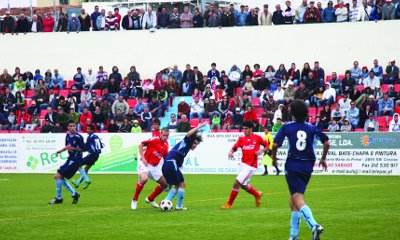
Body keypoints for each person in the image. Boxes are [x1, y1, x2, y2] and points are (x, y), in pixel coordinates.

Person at [272, 100, 329, 240]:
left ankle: (314, 226)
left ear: (291, 113)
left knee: (297, 198)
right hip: (308, 165)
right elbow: (326, 142)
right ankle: (293, 236)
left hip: (293, 165)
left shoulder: (287, 127)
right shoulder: (311, 127)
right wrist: (323, 158)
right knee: (293, 200)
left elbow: (274, 144)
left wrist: (274, 159)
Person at [220, 121, 268, 209]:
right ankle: (257, 195)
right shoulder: (241, 139)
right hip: (243, 164)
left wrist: (261, 151)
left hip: (251, 166)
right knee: (242, 185)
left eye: (246, 129)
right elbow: (234, 147)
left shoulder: (257, 138)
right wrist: (230, 152)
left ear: (251, 129)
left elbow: (267, 145)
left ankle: (229, 204)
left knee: (236, 183)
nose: (244, 131)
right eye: (243, 129)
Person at [162, 123, 206, 210]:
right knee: (182, 184)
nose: (195, 146)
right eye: (195, 143)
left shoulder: (185, 148)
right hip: (171, 163)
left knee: (178, 185)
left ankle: (166, 201)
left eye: (197, 144)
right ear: (192, 141)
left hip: (168, 164)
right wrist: (199, 127)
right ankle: (179, 206)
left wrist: (180, 164)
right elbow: (188, 134)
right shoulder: (187, 141)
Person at [131, 128, 170, 210]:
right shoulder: (154, 140)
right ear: (160, 134)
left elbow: (166, 158)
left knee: (165, 184)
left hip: (154, 168)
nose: (165, 137)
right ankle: (135, 199)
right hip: (144, 163)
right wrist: (143, 157)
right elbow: (141, 145)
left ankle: (150, 199)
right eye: (164, 135)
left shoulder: (166, 146)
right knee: (144, 179)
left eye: (167, 136)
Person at [49, 121, 84, 204]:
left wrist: (73, 148)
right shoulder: (67, 135)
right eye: (71, 126)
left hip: (75, 160)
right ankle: (73, 194)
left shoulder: (79, 137)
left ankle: (59, 198)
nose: (73, 127)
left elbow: (83, 149)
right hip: (70, 159)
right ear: (68, 128)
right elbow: (67, 146)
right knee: (58, 177)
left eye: (74, 126)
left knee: (58, 176)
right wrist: (60, 151)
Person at [71, 124, 103, 189]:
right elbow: (100, 146)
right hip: (96, 156)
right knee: (86, 169)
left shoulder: (90, 137)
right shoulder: (96, 136)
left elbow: (85, 148)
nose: (87, 130)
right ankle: (77, 183)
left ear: (92, 130)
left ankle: (87, 180)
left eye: (88, 129)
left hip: (92, 154)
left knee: (77, 164)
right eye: (87, 129)